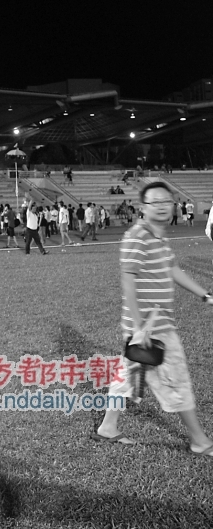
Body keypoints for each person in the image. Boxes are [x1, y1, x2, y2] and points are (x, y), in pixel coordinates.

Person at [97, 181, 213, 456]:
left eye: (166, 201)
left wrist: (204, 295)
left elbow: (172, 269)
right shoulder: (138, 236)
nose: (161, 206)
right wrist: (140, 328)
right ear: (143, 207)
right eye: (155, 202)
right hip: (151, 327)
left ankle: (108, 426)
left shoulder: (158, 236)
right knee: (177, 380)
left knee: (127, 375)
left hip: (147, 325)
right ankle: (200, 441)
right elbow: (128, 279)